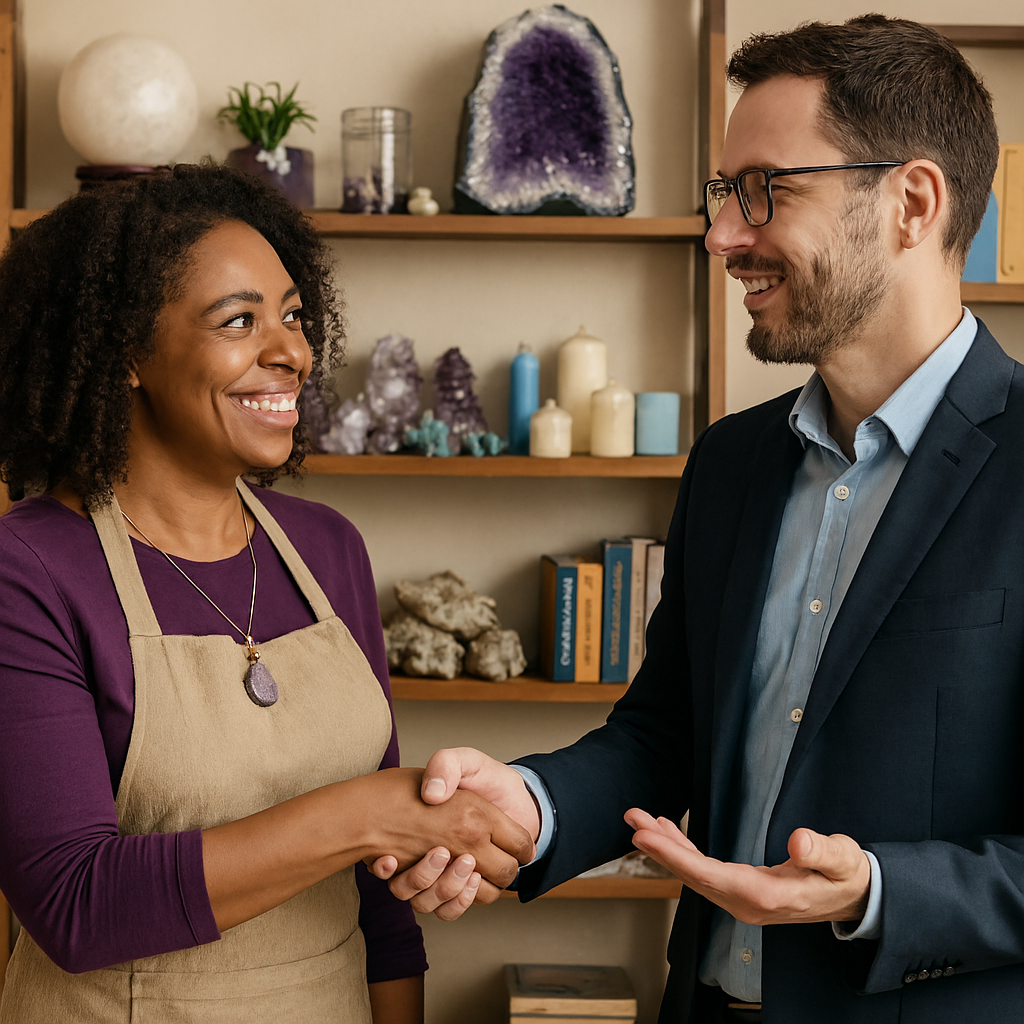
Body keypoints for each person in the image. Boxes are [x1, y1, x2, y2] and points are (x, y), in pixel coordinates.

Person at [371, 15, 1024, 1023]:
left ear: (911, 202)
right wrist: (530, 805)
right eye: (724, 194)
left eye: (763, 189)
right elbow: (665, 733)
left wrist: (879, 892)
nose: (723, 234)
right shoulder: (730, 461)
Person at [0, 163, 532, 1024]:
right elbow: (74, 903)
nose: (291, 350)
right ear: (127, 351)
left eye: (291, 314)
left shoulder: (327, 549)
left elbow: (382, 899)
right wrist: (371, 810)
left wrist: (390, 829)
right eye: (239, 321)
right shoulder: (27, 570)